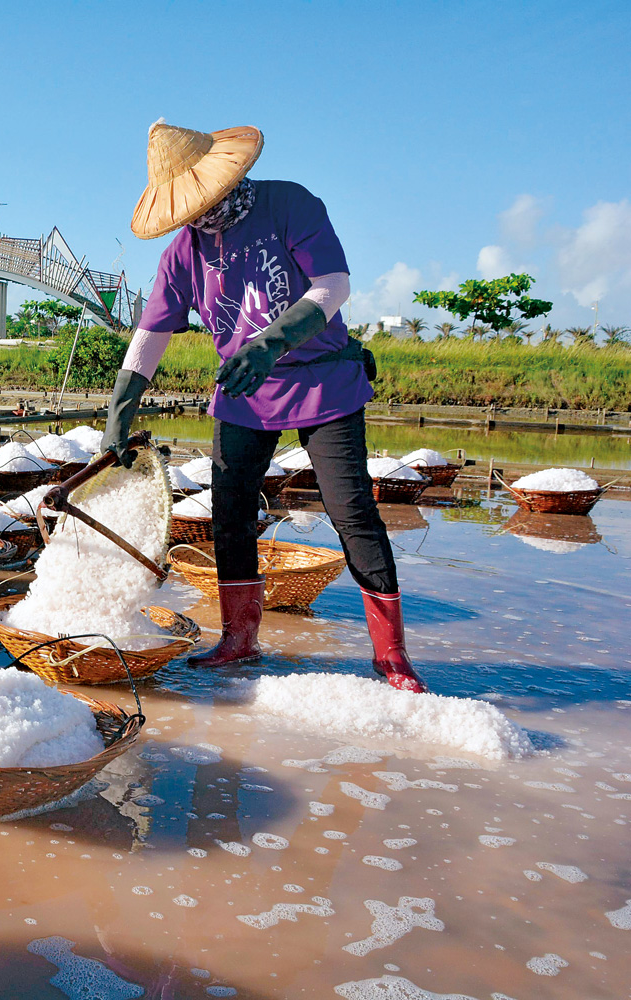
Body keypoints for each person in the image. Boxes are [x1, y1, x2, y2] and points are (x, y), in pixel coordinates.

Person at [100, 120, 426, 693]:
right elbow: (151, 334)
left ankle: (391, 655)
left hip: (322, 379)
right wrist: (118, 415)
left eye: (204, 201)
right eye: (187, 211)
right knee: (229, 513)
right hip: (246, 388)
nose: (199, 216)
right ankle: (239, 640)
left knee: (351, 509)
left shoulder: (288, 204)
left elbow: (332, 287)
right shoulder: (183, 252)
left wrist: (270, 343)